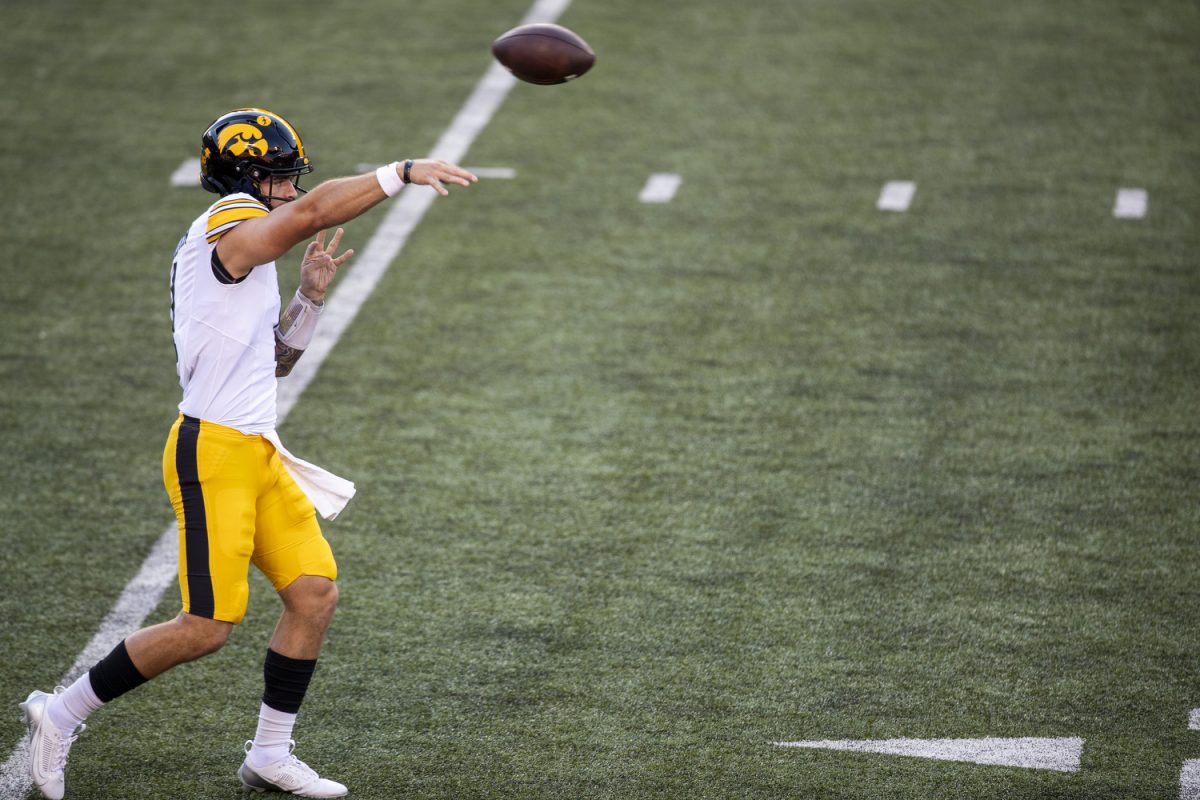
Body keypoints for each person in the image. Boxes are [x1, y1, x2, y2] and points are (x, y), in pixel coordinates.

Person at [19, 107, 478, 799]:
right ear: (245, 178)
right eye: (280, 177)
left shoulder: (245, 250)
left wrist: (310, 300)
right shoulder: (225, 227)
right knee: (205, 626)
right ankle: (59, 714)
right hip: (212, 452)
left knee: (314, 593)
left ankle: (269, 753)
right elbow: (312, 213)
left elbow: (275, 364)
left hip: (256, 450)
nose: (291, 190)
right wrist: (401, 173)